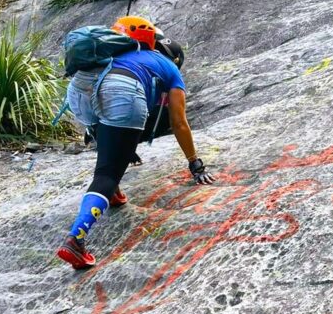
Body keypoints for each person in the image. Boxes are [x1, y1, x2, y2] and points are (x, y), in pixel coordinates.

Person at [56, 16, 214, 270]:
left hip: (79, 89)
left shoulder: (114, 52)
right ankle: (76, 240)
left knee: (111, 150)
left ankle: (113, 189)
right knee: (106, 173)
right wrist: (195, 163)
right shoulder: (167, 66)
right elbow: (178, 122)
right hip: (121, 90)